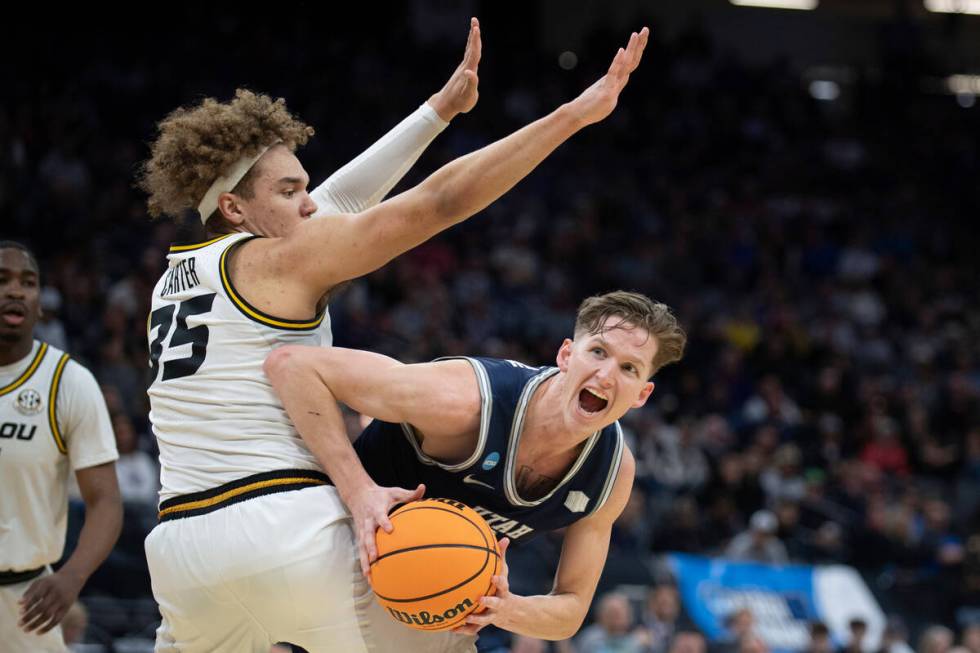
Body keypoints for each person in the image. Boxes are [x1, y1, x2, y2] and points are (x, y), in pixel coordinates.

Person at [141, 17, 652, 653]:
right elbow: (438, 204)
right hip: (283, 524)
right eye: (291, 190)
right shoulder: (283, 258)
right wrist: (573, 115)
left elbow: (343, 201)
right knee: (449, 628)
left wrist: (437, 112)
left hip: (180, 552)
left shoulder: (178, 279)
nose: (309, 205)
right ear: (236, 210)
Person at [265, 290, 685, 647]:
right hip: (335, 548)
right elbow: (293, 367)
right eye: (598, 352)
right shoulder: (466, 400)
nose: (607, 375)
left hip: (427, 607)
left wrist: (503, 606)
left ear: (642, 394)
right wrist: (360, 493)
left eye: (629, 368)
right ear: (566, 354)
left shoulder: (612, 473)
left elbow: (571, 611)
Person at [0, 242, 122, 653]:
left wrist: (72, 577)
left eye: (28, 283)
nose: (16, 291)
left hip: (25, 599)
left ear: (39, 306)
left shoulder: (67, 382)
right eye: (2, 281)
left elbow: (105, 501)